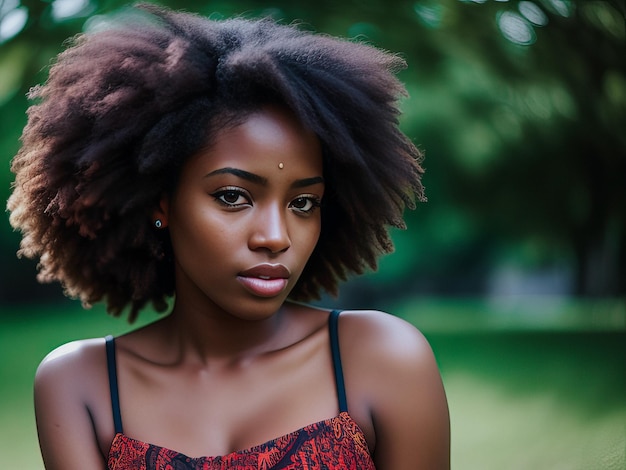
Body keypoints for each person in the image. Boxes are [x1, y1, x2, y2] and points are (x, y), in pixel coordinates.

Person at [7, 3, 450, 469]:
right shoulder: (81, 385)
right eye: (234, 197)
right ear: (162, 202)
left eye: (303, 203)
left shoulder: (382, 358)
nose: (276, 237)